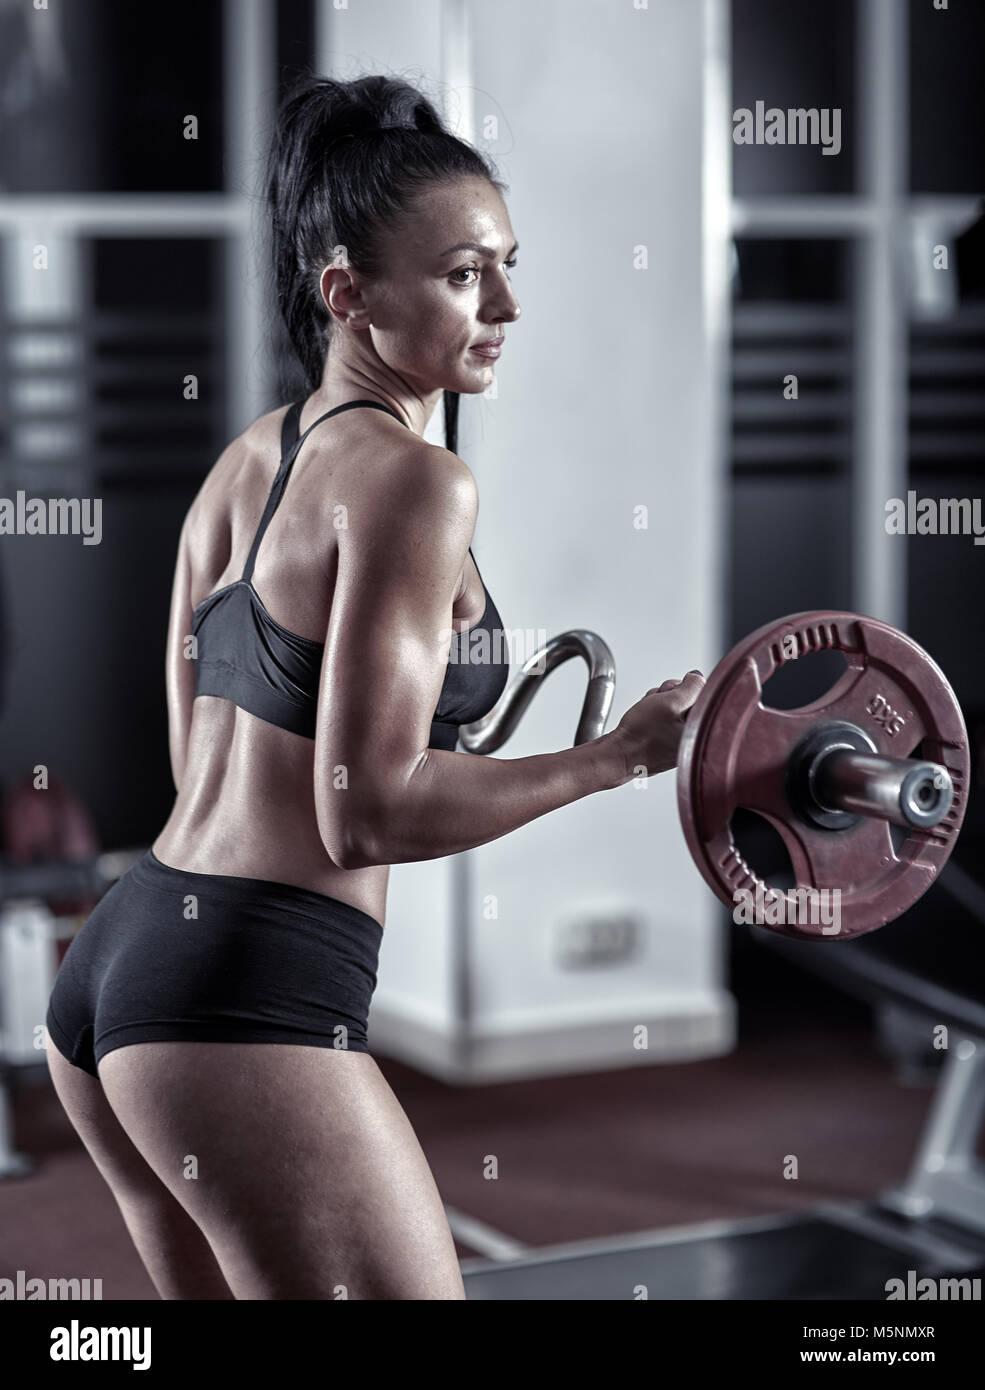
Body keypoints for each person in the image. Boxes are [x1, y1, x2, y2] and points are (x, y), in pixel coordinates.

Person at [43, 72, 704, 1300]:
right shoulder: (415, 481)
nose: (506, 302)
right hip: (245, 1000)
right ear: (346, 292)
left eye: (507, 264)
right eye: (464, 275)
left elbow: (204, 769)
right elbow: (365, 812)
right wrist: (620, 754)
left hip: (121, 967)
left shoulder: (250, 460)